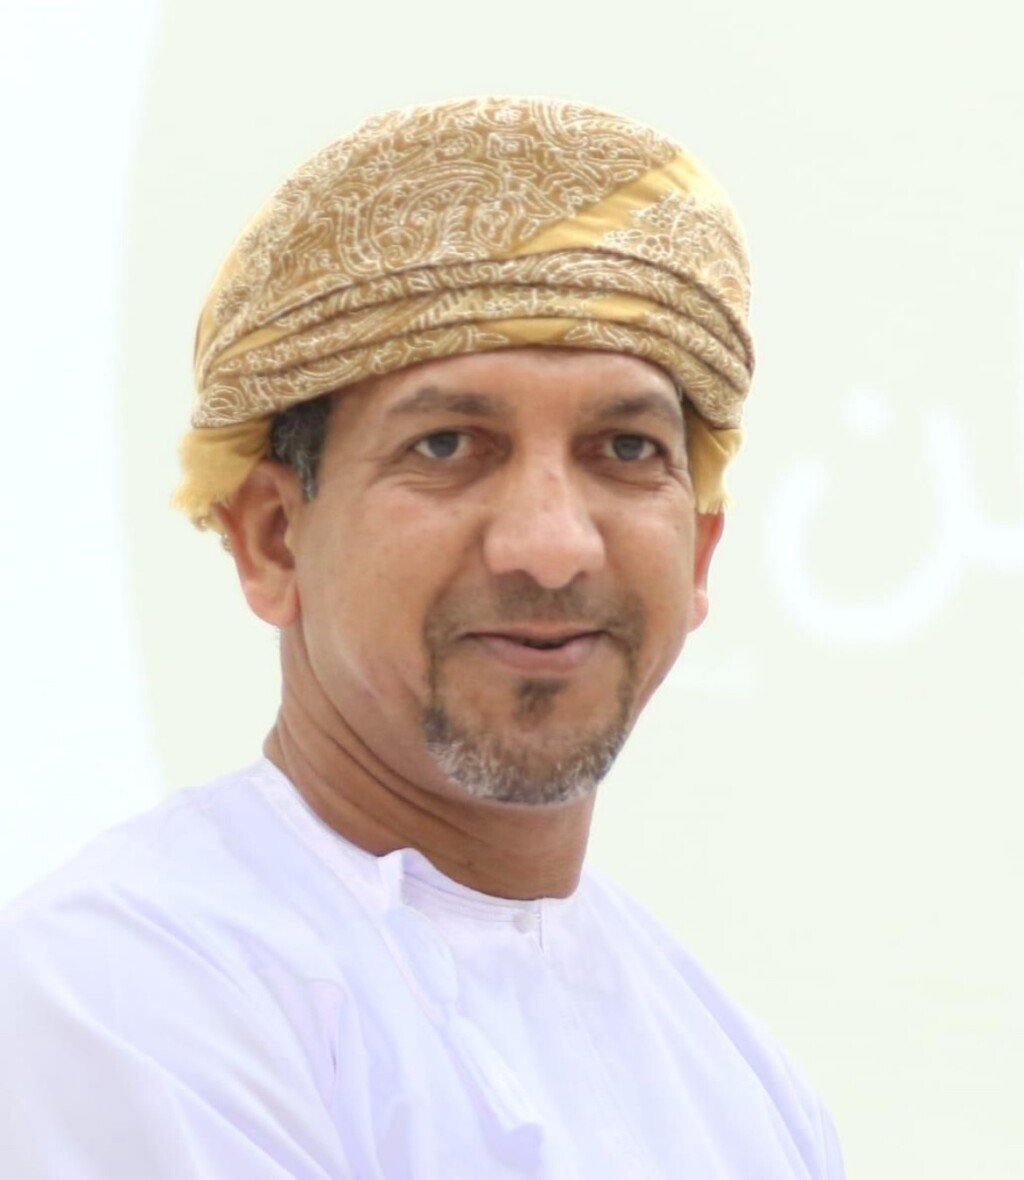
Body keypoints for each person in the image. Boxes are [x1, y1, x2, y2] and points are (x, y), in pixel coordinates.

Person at [0, 96, 845, 1178]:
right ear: (272, 539)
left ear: (699, 556)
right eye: (448, 445)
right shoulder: (130, 993)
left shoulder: (736, 1077)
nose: (552, 546)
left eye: (626, 449)